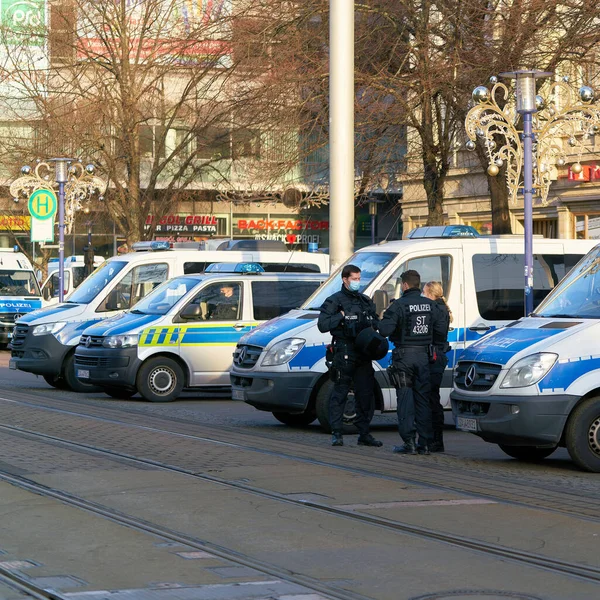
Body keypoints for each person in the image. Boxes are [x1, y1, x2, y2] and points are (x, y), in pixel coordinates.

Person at [379, 270, 445, 455]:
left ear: (405, 285)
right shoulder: (431, 305)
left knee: (406, 400)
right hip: (424, 358)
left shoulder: (399, 305)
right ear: (418, 284)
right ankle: (424, 443)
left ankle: (409, 442)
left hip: (404, 358)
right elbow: (440, 332)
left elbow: (384, 330)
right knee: (423, 400)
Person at [317, 264, 383, 448]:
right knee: (340, 393)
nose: (357, 282)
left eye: (358, 278)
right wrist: (341, 315)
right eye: (354, 278)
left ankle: (364, 434)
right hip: (344, 352)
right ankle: (337, 433)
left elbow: (375, 322)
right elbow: (322, 325)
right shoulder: (334, 301)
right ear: (345, 279)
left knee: (365, 394)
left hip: (363, 352)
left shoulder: (365, 300)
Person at [422, 281, 452, 453]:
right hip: (437, 355)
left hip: (434, 357)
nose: (423, 296)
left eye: (424, 293)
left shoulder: (436, 310)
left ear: (431, 294)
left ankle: (435, 440)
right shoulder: (440, 308)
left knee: (431, 399)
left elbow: (435, 334)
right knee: (431, 398)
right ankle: (433, 439)